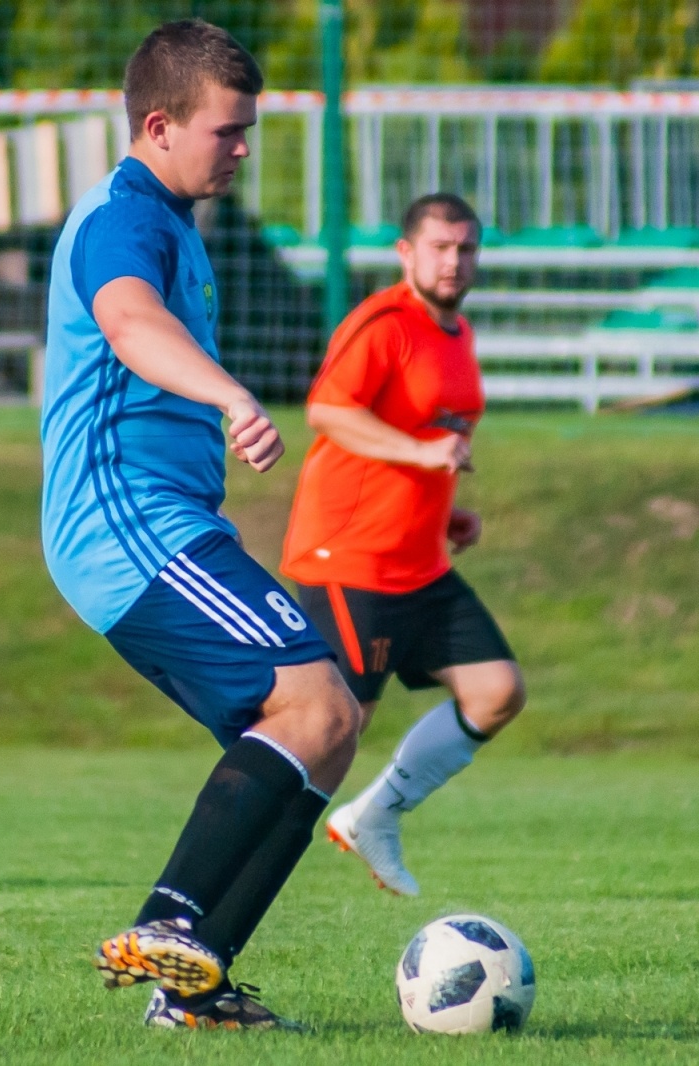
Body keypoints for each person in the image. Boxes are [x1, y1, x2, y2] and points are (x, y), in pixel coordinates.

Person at [39, 19, 361, 1030]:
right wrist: (228, 395)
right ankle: (170, 924)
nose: (241, 149)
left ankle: (196, 986)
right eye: (227, 131)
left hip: (160, 523)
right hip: (124, 523)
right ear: (159, 123)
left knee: (329, 725)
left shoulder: (173, 220)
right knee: (309, 704)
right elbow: (131, 322)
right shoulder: (123, 219)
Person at [279, 193, 524, 897]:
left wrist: (448, 516)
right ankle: (239, 863)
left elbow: (428, 435)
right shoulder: (383, 322)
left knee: (497, 690)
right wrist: (423, 458)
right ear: (406, 252)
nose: (454, 261)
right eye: (440, 247)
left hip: (419, 563)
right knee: (334, 727)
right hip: (350, 558)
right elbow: (327, 409)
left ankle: (376, 815)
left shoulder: (458, 334)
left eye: (466, 248)